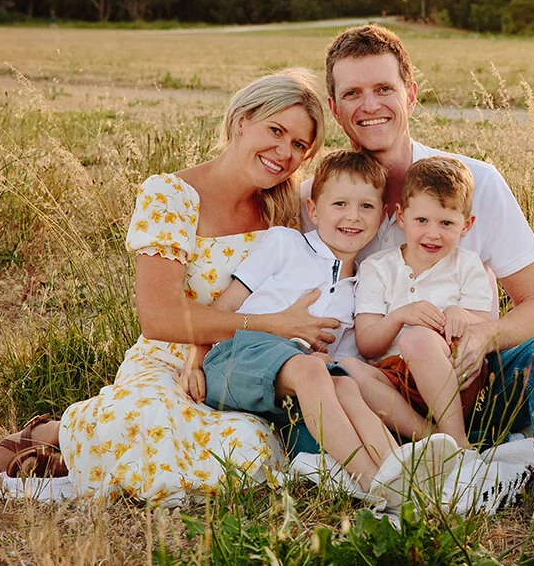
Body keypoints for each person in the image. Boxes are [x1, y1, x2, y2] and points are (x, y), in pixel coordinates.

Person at [302, 24, 534, 525]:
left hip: (477, 379)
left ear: (411, 94)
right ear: (336, 110)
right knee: (316, 405)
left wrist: (489, 332)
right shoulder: (321, 199)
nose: (370, 104)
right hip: (381, 396)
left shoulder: (475, 183)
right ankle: (434, 456)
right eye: (353, 93)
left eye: (384, 88)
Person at [0, 70, 346, 505]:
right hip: (173, 358)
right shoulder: (173, 195)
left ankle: (98, 443)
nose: (283, 153)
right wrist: (269, 325)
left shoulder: (290, 204)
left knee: (248, 452)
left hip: (251, 364)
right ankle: (59, 433)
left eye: (299, 145)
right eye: (275, 130)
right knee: (157, 429)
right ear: (241, 119)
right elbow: (158, 317)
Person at [178, 149, 457, 506]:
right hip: (235, 359)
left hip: (292, 385)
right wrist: (194, 360)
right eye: (339, 204)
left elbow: (343, 363)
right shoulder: (285, 243)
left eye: (366, 207)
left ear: (384, 215)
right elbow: (223, 308)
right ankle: (374, 483)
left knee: (344, 382)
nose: (352, 217)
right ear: (313, 210)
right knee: (312, 367)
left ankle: (400, 466)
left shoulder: (360, 288)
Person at [341, 156, 494, 449]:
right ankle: (434, 438)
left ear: (467, 225)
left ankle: (457, 440)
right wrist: (399, 316)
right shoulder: (377, 268)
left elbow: (484, 324)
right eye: (421, 220)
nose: (433, 233)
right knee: (348, 368)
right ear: (401, 218)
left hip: (452, 375)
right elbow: (367, 344)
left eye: (446, 223)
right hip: (396, 385)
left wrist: (461, 314)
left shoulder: (467, 265)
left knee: (418, 341)